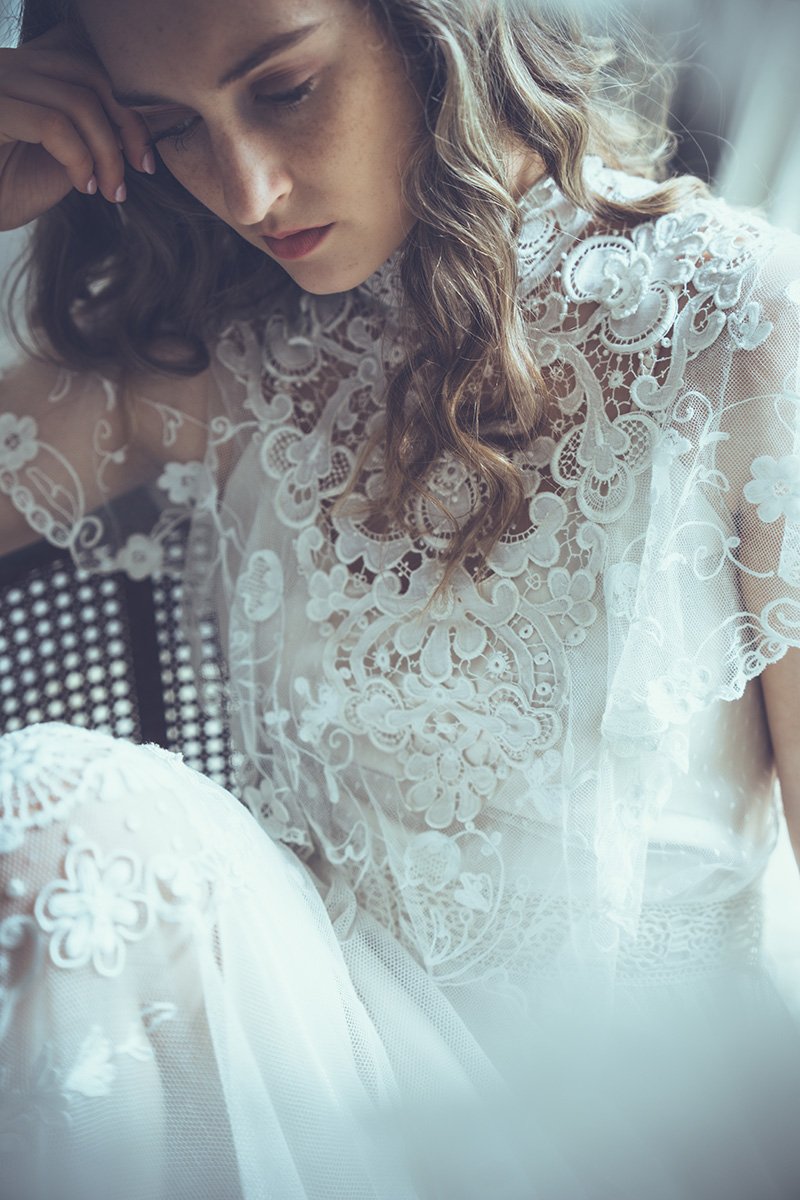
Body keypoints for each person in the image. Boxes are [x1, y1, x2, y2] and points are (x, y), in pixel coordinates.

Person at [1, 1, 800, 1196]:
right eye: (171, 128)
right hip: (327, 1092)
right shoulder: (223, 361)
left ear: (434, 28)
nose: (250, 190)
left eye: (283, 90)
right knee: (62, 818)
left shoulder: (735, 321)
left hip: (645, 1125)